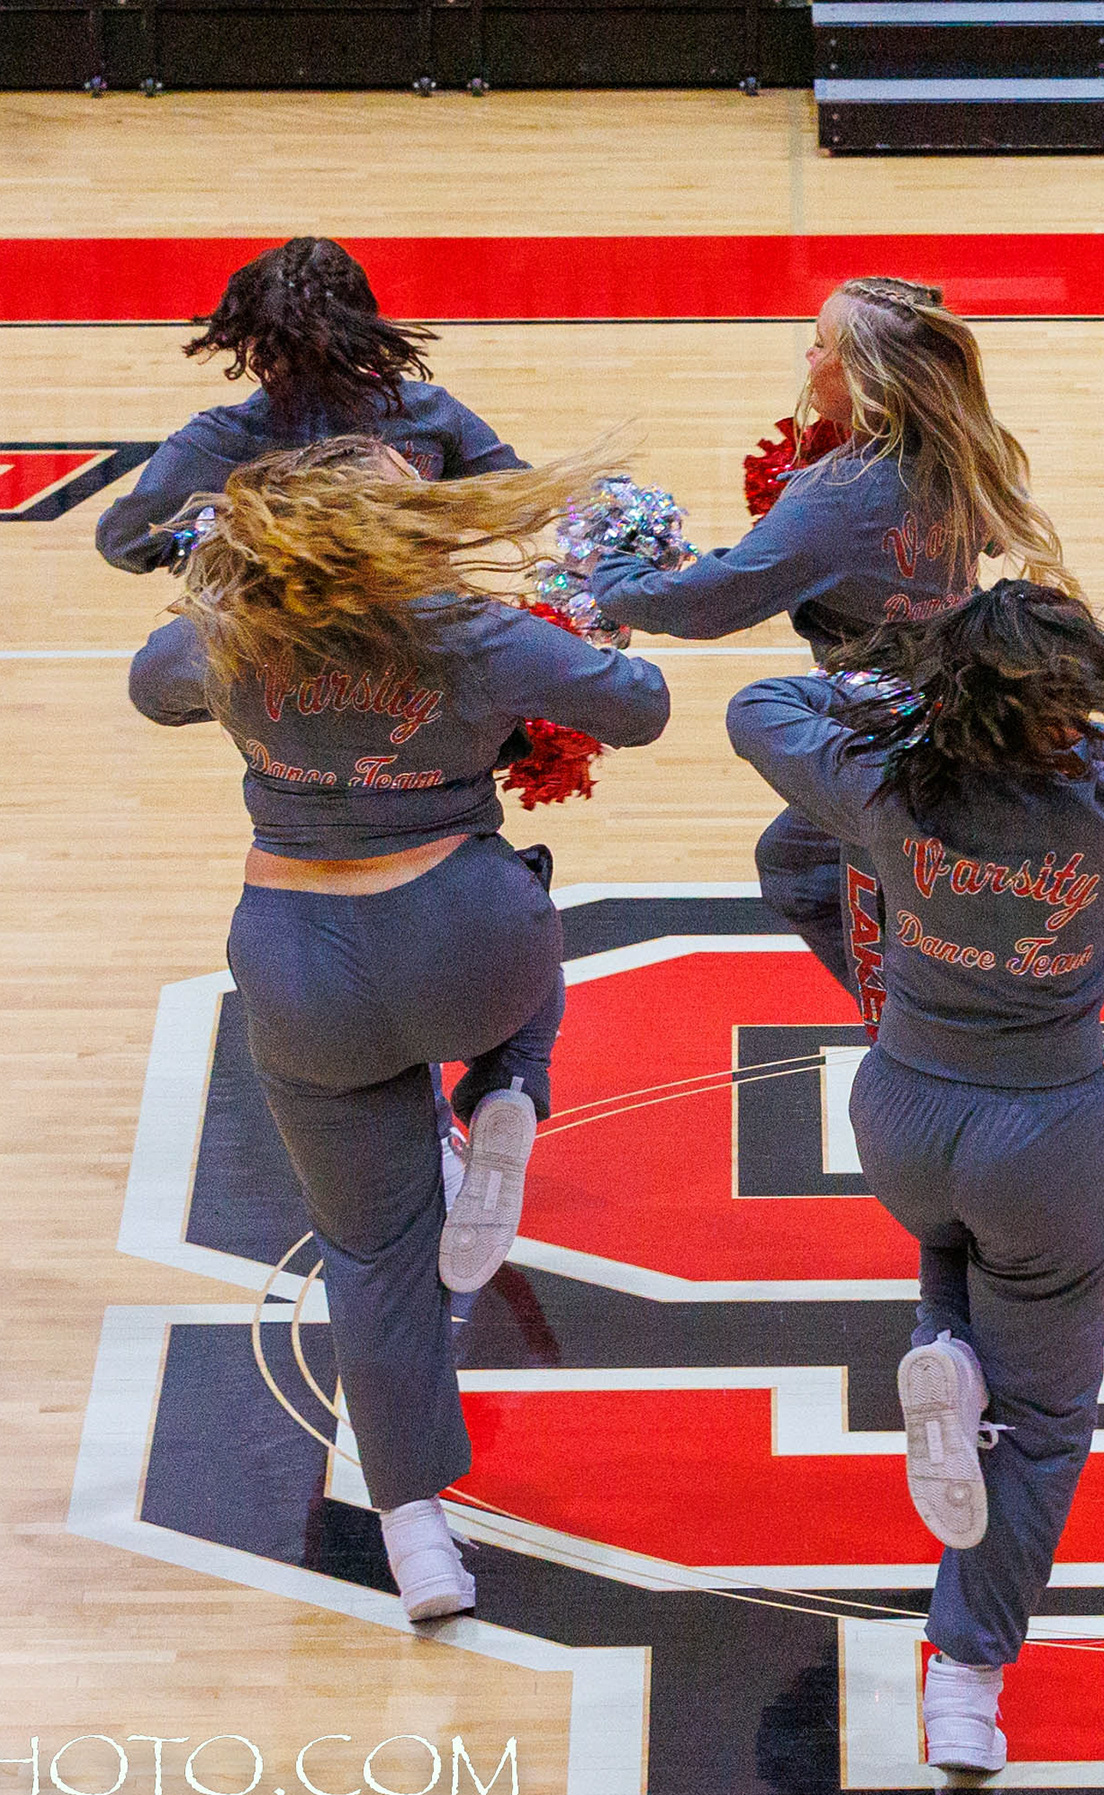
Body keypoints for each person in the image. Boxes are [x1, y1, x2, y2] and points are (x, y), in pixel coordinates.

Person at [726, 581, 1104, 1773]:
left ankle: (945, 1348)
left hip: (900, 1114)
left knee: (954, 1252)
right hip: (1039, 1134)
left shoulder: (882, 785)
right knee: (1047, 1426)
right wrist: (1061, 726)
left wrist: (910, 706)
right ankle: (966, 1681)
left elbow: (757, 705)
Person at [129, 439, 672, 1625]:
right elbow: (641, 707)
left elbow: (148, 687)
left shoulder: (230, 637)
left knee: (372, 1257)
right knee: (529, 922)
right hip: (462, 943)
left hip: (298, 964)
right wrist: (579, 635)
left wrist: (229, 596)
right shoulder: (467, 632)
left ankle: (416, 1535)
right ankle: (505, 1089)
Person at [589, 276, 1056, 1005]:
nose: (809, 357)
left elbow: (706, 606)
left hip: (893, 736)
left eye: (821, 344)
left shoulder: (840, 494)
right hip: (966, 702)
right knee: (799, 865)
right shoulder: (967, 449)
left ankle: (923, 1026)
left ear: (865, 373)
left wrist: (612, 574)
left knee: (836, 878)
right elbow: (982, 540)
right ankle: (935, 1009)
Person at [94, 235, 525, 573]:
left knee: (163, 655)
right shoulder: (428, 410)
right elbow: (521, 499)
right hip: (416, 630)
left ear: (256, 339)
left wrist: (211, 530)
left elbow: (123, 543)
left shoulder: (218, 439)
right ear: (366, 322)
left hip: (270, 641)